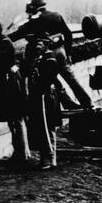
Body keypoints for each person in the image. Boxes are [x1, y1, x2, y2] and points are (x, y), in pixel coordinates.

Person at [0, 14, 27, 164]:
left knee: (16, 119)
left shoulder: (3, 43)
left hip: (10, 84)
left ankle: (22, 153)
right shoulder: (0, 42)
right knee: (13, 119)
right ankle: (19, 152)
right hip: (8, 84)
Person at [24, 36, 64, 170]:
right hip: (41, 97)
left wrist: (38, 91)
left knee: (47, 127)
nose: (37, 46)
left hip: (45, 98)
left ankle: (50, 158)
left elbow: (47, 79)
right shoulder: (41, 58)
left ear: (46, 44)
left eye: (40, 43)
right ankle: (46, 158)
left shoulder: (50, 59)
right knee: (42, 127)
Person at [8, 0, 74, 50]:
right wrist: (68, 54)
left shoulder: (34, 21)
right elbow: (68, 34)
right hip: (59, 52)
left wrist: (2, 38)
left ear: (32, 8)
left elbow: (16, 35)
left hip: (42, 56)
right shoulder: (57, 16)